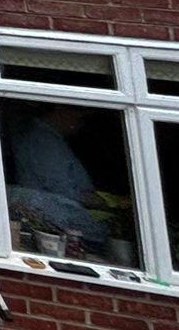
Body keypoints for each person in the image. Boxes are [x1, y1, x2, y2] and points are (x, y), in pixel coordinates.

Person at [8, 104, 108, 245]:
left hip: (58, 217)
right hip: (53, 220)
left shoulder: (50, 138)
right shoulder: (43, 141)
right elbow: (61, 190)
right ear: (61, 110)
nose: (80, 124)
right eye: (80, 118)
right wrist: (101, 202)